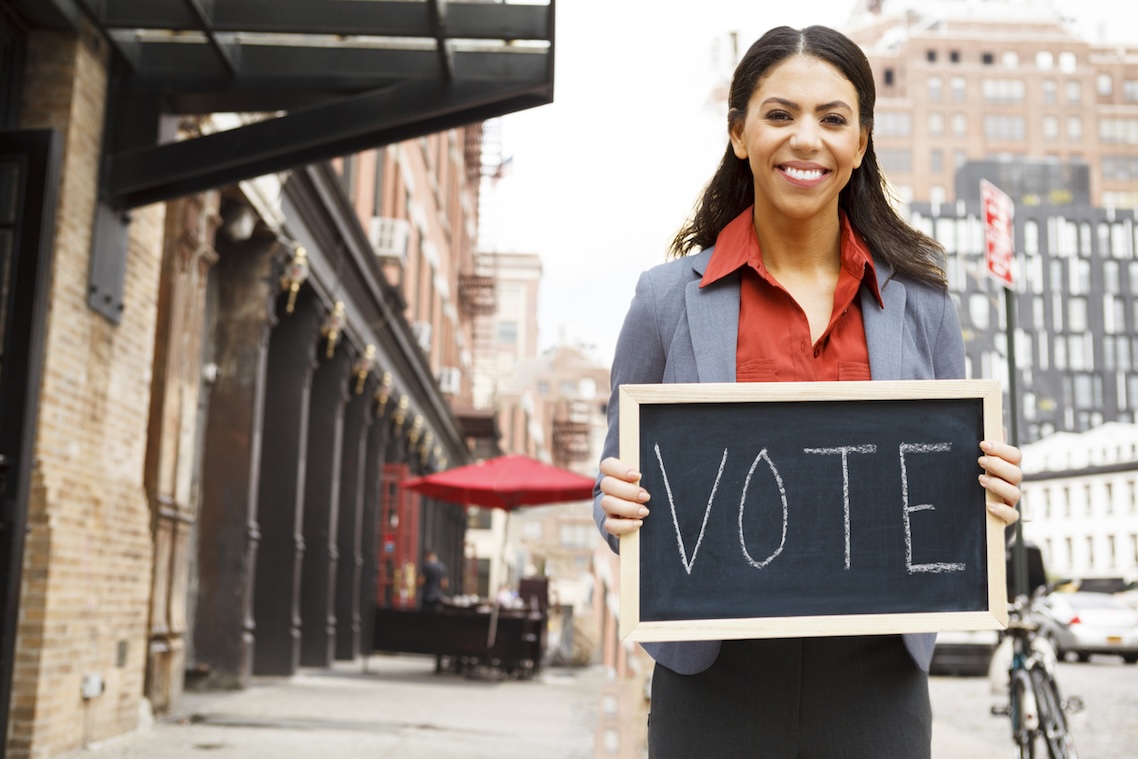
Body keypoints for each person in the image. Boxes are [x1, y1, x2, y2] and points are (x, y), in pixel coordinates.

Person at [593, 25, 1024, 759]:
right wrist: (617, 504)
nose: (806, 140)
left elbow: (956, 483)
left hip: (876, 678)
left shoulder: (921, 302)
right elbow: (612, 490)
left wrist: (999, 499)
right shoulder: (665, 299)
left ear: (860, 143)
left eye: (832, 119)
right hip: (713, 676)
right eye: (780, 114)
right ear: (739, 133)